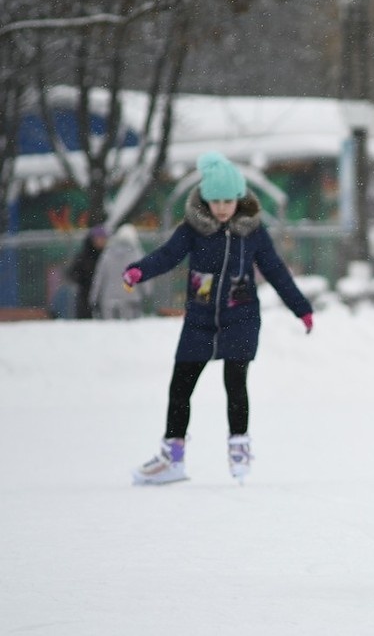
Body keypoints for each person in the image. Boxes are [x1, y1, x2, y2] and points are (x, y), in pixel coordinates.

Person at [123, 152, 314, 485]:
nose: (222, 207)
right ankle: (173, 456)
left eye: (228, 200)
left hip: (240, 317)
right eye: (216, 201)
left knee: (235, 383)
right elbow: (168, 255)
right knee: (180, 385)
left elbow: (275, 270)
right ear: (205, 200)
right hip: (200, 318)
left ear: (238, 198)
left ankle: (239, 448)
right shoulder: (193, 229)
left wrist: (301, 308)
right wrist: (140, 270)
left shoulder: (252, 231)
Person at [89, 223, 150, 319]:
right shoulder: (137, 254)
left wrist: (94, 297)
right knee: (129, 331)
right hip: (131, 298)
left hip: (108, 299)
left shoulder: (107, 253)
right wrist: (147, 292)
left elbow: (99, 277)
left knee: (110, 331)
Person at [67, 224, 108, 319]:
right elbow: (71, 274)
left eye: (103, 238)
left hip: (104, 298)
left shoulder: (108, 256)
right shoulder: (83, 256)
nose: (102, 241)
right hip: (85, 298)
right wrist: (85, 279)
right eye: (99, 238)